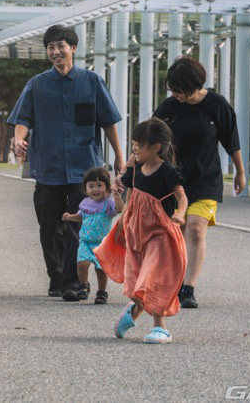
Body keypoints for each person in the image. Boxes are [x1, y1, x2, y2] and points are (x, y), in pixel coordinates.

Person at [8, 24, 123, 301]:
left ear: (73, 48)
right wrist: (17, 139)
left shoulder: (92, 81)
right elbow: (23, 119)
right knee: (49, 229)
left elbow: (108, 121)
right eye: (51, 47)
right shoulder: (36, 84)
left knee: (76, 226)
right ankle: (57, 277)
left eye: (61, 46)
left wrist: (119, 156)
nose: (56, 51)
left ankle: (73, 282)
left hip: (85, 171)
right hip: (48, 167)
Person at [154, 57, 244, 309]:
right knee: (176, 233)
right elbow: (149, 138)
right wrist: (129, 165)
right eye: (173, 91)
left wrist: (240, 172)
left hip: (206, 179)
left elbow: (231, 141)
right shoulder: (169, 107)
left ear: (195, 84)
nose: (177, 95)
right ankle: (173, 282)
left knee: (195, 228)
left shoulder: (217, 105)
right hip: (173, 182)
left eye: (180, 90)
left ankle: (188, 287)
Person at [96, 118, 188, 344]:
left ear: (156, 147)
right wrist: (120, 222)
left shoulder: (167, 172)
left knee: (152, 278)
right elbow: (129, 201)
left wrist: (181, 213)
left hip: (160, 236)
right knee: (135, 281)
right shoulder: (134, 172)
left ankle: (160, 327)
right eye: (133, 143)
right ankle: (136, 309)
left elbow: (182, 197)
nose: (134, 148)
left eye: (140, 143)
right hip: (136, 234)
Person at [61, 167, 124, 304]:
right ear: (85, 189)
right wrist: (70, 217)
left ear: (107, 187)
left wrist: (117, 195)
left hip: (102, 244)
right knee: (82, 263)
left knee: (101, 269)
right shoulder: (85, 203)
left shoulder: (108, 203)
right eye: (91, 186)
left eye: (99, 185)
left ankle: (102, 292)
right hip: (85, 241)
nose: (95, 189)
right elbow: (81, 216)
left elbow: (120, 210)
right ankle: (83, 285)